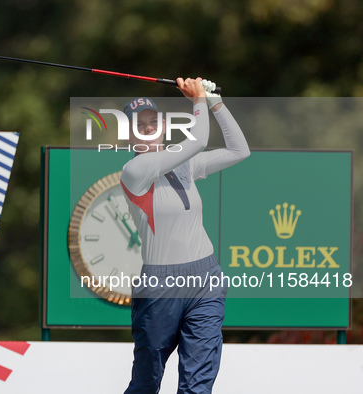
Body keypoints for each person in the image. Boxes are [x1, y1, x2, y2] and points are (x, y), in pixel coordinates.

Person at [120, 78, 250, 393]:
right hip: (160, 286)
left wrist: (214, 101)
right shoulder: (134, 171)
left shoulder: (185, 163)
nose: (148, 128)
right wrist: (197, 99)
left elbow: (239, 150)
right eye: (140, 125)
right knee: (146, 382)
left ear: (163, 127)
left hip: (205, 278)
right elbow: (199, 139)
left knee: (198, 383)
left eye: (153, 122)